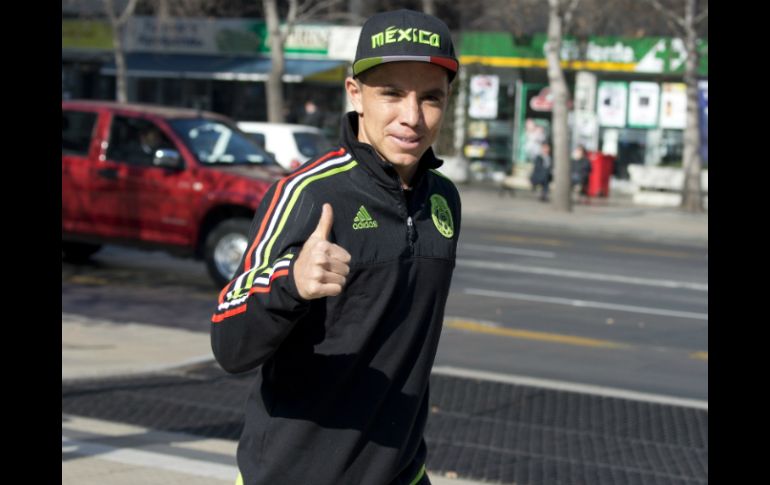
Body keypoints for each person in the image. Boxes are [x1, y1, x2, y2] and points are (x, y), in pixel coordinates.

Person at [210, 9, 461, 485]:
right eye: (391, 93)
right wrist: (290, 284)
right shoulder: (307, 194)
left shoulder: (444, 200)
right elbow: (229, 344)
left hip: (403, 474)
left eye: (430, 98)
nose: (412, 117)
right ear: (355, 95)